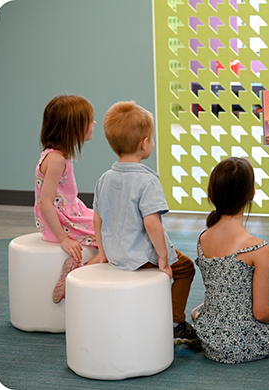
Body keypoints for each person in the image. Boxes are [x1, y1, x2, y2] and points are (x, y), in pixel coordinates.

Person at [87, 101, 199, 346]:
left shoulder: (105, 178)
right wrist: (162, 258)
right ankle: (175, 323)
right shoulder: (147, 181)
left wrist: (103, 253)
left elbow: (97, 217)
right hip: (140, 254)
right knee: (186, 268)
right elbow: (151, 223)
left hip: (115, 252)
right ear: (144, 143)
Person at [191, 157, 269, 364]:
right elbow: (260, 314)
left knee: (203, 309)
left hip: (212, 338)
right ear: (252, 194)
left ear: (211, 191)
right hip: (240, 342)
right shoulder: (257, 248)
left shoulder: (202, 239)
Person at [34, 95, 99, 303]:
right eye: (90, 121)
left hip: (67, 213)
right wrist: (63, 238)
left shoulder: (54, 154)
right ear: (74, 128)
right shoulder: (57, 159)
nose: (94, 124)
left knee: (104, 222)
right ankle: (77, 276)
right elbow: (45, 203)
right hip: (61, 221)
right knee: (109, 236)